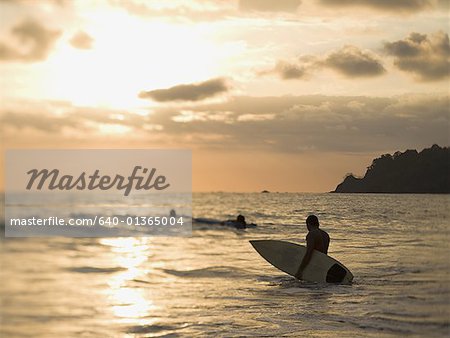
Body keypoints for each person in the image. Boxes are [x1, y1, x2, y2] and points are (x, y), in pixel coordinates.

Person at [295, 215, 330, 280]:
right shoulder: (326, 235)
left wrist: (300, 270)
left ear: (308, 224)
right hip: (323, 266)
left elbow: (309, 253)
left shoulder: (311, 234)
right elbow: (324, 253)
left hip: (314, 267)